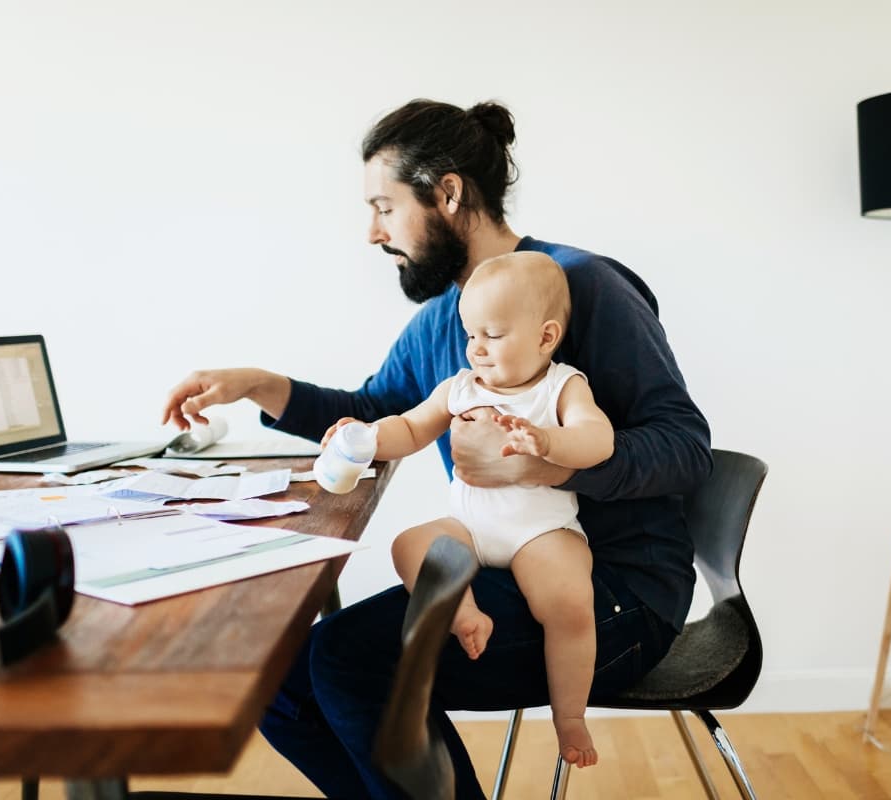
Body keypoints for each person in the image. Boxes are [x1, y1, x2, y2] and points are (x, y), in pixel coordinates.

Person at [161, 98, 712, 800]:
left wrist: (547, 463)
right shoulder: (439, 325)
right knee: (282, 678)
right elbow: (372, 413)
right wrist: (260, 386)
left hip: (611, 596)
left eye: (384, 207)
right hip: (496, 569)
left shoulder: (579, 287)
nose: (371, 232)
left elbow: (684, 447)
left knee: (350, 661)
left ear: (447, 194)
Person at [321, 250, 613, 768]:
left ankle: (570, 716)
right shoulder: (459, 388)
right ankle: (463, 613)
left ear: (546, 337)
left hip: (540, 531)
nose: (476, 348)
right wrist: (364, 437)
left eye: (493, 335)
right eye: (470, 334)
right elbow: (409, 428)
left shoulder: (561, 386)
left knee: (569, 603)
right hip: (472, 527)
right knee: (410, 545)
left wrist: (546, 441)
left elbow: (597, 439)